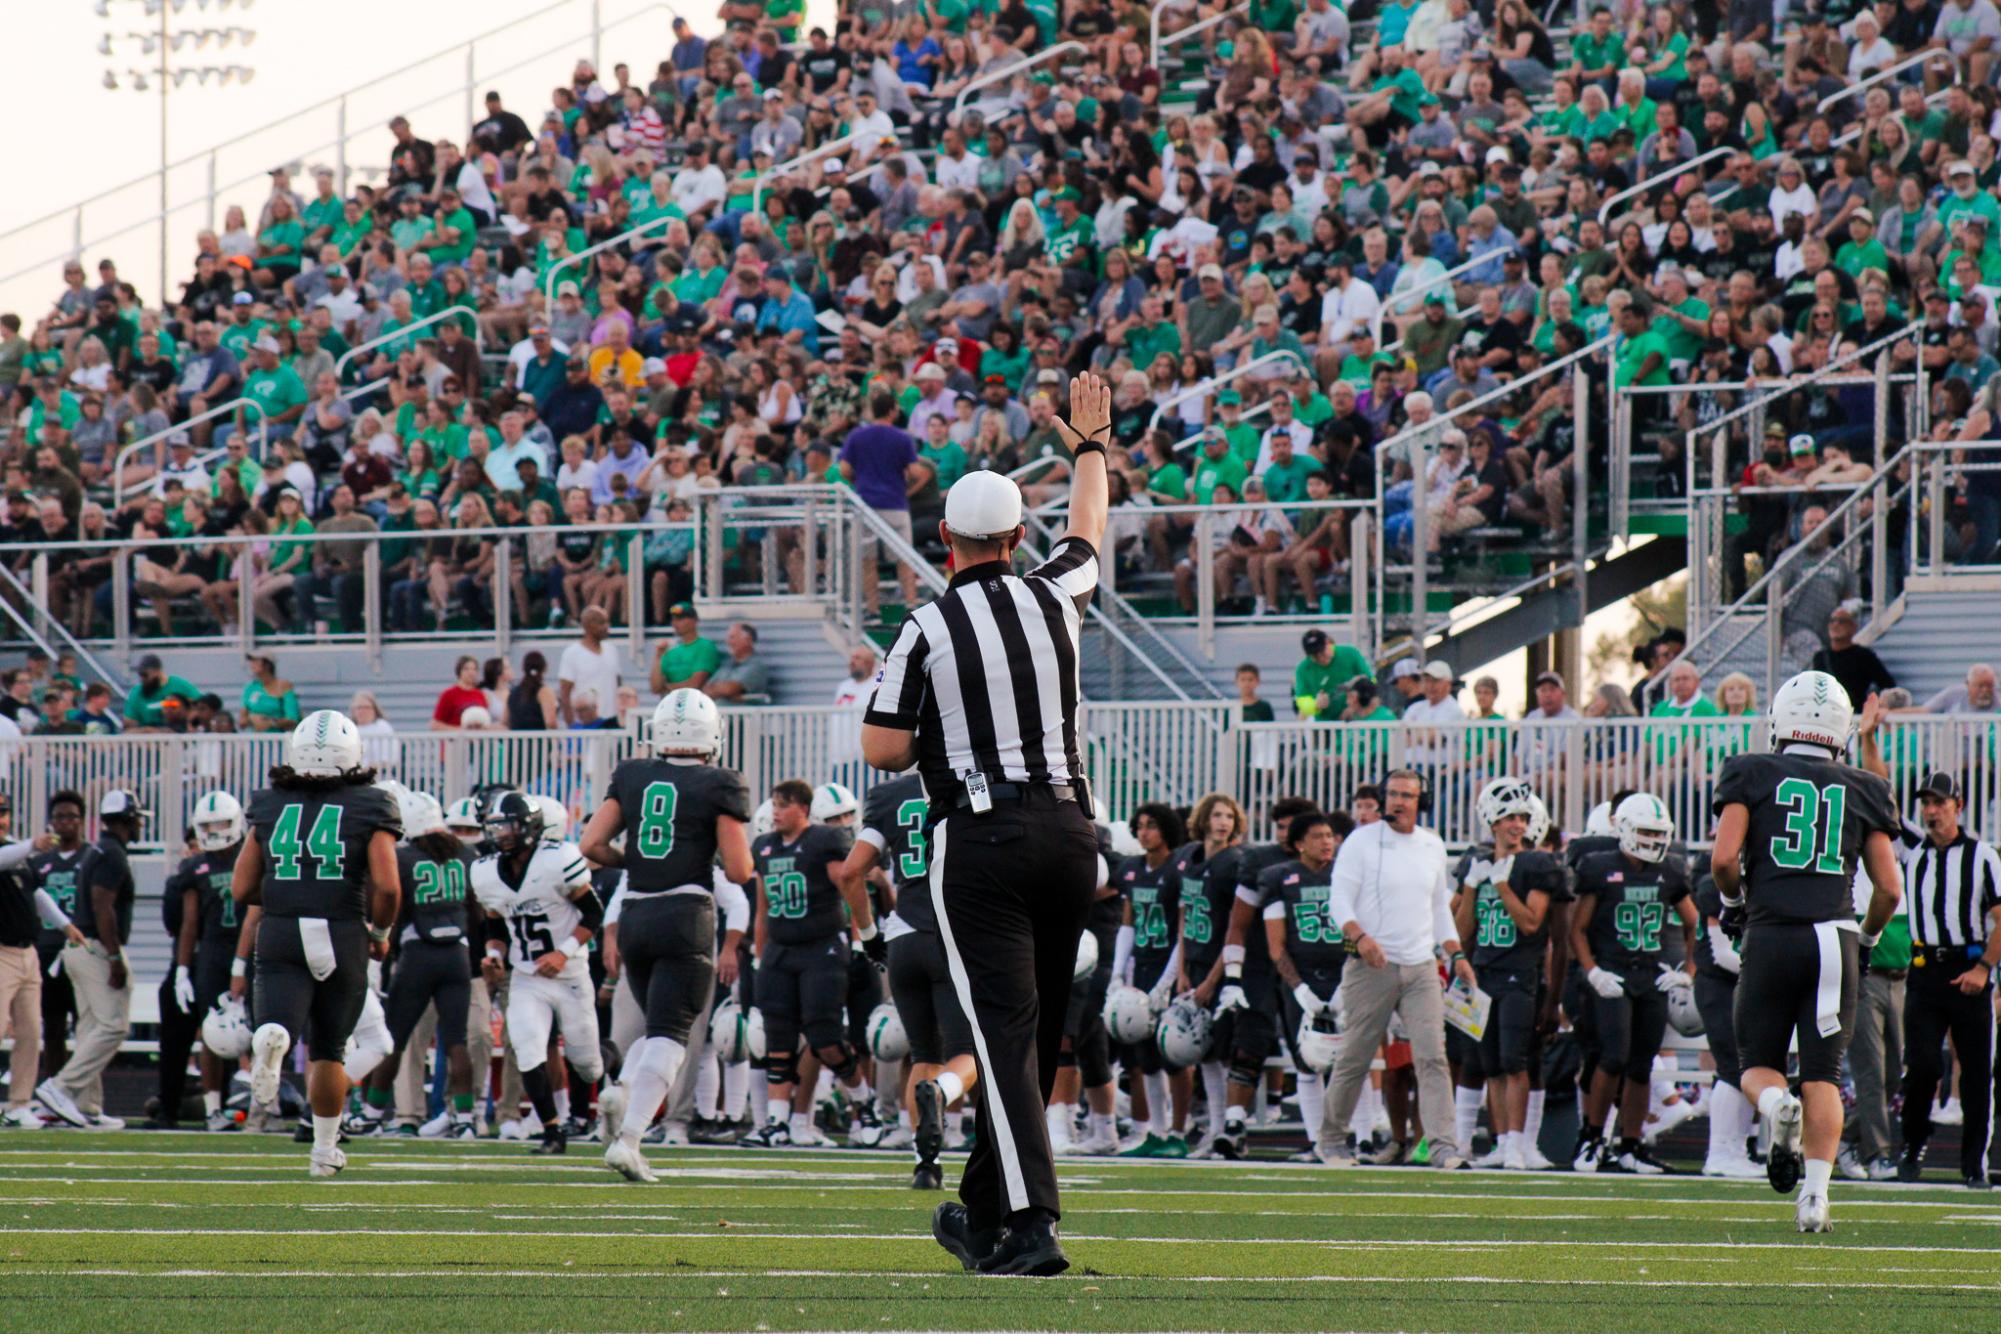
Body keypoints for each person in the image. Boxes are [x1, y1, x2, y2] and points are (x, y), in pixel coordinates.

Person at [860, 372, 1111, 1277]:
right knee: (1034, 1034)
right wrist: (1090, 446)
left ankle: (1033, 1223)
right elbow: (1087, 531)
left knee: (1004, 1031)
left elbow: (883, 749)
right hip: (1071, 835)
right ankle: (980, 1210)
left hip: (984, 842)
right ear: (1015, 537)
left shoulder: (926, 625)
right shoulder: (1054, 595)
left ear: (944, 540)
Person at [1710, 670, 1904, 1232]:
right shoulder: (1866, 786)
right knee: (1823, 1074)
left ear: (1780, 720)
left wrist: (1735, 901)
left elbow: (1724, 861)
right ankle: (1815, 1200)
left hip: (1771, 931)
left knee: (1757, 1066)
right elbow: (1889, 889)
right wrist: (1864, 937)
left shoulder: (1751, 770)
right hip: (1835, 938)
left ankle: (1775, 1110)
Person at [580, 689, 753, 1184]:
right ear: (712, 735)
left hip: (634, 913)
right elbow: (739, 870)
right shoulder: (719, 782)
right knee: (672, 1036)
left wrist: (633, 860)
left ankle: (624, 1088)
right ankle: (630, 1140)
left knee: (655, 1027)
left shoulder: (632, 774)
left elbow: (591, 845)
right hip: (685, 914)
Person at [230, 711, 402, 1177]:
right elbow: (387, 887)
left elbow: (242, 888)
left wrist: (292, 889)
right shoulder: (372, 804)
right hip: (342, 928)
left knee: (282, 1024)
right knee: (331, 1048)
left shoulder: (268, 804)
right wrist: (381, 935)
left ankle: (275, 1036)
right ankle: (324, 1152)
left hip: (283, 928)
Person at [1316, 770, 1472, 1172]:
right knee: (1356, 1055)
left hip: (1421, 965)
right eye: (1393, 794)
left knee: (1433, 1058)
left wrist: (1456, 954)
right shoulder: (1361, 841)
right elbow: (1339, 898)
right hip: (1372, 964)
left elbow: (1439, 907)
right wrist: (1360, 937)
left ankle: (1443, 1147)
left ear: (1422, 801)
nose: (1399, 802)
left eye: (1408, 795)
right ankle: (1331, 1141)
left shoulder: (1432, 845)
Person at [741, 779, 878, 1148]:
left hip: (821, 948)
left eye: (782, 805)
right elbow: (763, 909)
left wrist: (857, 938)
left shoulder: (823, 842)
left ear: (803, 808)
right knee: (778, 1038)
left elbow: (849, 887)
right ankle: (777, 1121)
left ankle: (864, 1102)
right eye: (773, 804)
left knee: (825, 1037)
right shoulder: (764, 846)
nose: (775, 812)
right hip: (780, 950)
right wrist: (758, 956)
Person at [472, 791, 607, 1158]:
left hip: (571, 975)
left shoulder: (559, 860)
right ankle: (552, 1130)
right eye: (495, 827)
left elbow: (594, 914)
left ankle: (612, 1087)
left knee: (589, 1065)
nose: (500, 834)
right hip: (528, 975)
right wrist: (493, 955)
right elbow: (496, 926)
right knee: (528, 1047)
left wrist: (563, 954)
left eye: (507, 826)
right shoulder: (485, 872)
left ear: (529, 827)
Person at [1568, 792, 1696, 1176]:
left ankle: (1630, 1144)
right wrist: (1592, 971)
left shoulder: (1670, 872)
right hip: (1612, 973)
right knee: (1612, 1058)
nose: (1653, 840)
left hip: (1650, 974)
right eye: (1644, 831)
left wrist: (1687, 971)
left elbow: (1694, 922)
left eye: (1658, 833)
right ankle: (1592, 1137)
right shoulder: (1598, 866)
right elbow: (1577, 929)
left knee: (1642, 1066)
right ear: (1623, 829)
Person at [1891, 771, 2001, 1187]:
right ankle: (1914, 1142)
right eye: (1927, 803)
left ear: (1958, 805)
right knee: (1920, 1066)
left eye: (1940, 802)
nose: (1932, 811)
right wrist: (1867, 737)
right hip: (1924, 972)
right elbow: (1884, 792)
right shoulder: (1914, 850)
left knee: (1976, 1073)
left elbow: (2000, 919)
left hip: (1968, 968)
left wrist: (1984, 969)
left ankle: (1973, 1163)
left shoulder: (1982, 856)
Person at [1448, 779, 1563, 1171]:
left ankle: (1517, 1144)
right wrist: (1471, 884)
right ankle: (1500, 1141)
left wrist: (1501, 884)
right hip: (1482, 974)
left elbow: (1531, 924)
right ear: (1492, 822)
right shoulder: (1476, 863)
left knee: (1515, 1062)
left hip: (1519, 974)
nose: (1517, 824)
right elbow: (1462, 931)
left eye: (1522, 817)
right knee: (1491, 1064)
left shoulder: (1536, 864)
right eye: (1510, 817)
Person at [33, 789, 145, 1131]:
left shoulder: (97, 849)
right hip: (94, 946)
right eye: (137, 818)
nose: (140, 824)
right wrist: (113, 956)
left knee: (91, 1026)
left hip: (78, 948)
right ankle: (62, 1087)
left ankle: (87, 1106)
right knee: (113, 1025)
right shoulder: (110, 853)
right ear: (127, 819)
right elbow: (102, 905)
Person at [1263, 811, 1346, 1163]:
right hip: (1302, 979)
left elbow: (1360, 928)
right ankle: (1316, 1142)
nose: (1327, 841)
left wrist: (1348, 984)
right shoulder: (1279, 878)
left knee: (1350, 1063)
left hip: (1346, 977)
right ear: (1299, 843)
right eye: (1318, 836)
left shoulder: (1345, 874)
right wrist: (1299, 988)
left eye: (1330, 835)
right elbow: (1276, 945)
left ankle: (1359, 1140)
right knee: (1308, 1061)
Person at [164, 792, 249, 1132]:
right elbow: (189, 924)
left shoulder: (251, 855)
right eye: (208, 825)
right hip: (213, 952)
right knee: (212, 1033)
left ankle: (260, 1104)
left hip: (251, 952)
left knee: (262, 1030)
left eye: (221, 824)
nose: (215, 831)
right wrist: (182, 971)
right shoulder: (194, 867)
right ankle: (214, 1109)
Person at [0, 795, 78, 1127]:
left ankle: (18, 1104)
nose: (3, 819)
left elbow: (36, 893)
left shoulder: (18, 853)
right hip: (1, 952)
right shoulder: (15, 852)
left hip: (27, 952)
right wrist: (33, 844)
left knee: (31, 1030)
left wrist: (64, 924)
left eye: (4, 812)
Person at [558, 606, 624, 727]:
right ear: (588, 625)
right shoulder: (572, 653)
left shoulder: (612, 650)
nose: (607, 627)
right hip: (586, 724)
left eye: (607, 622)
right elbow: (565, 693)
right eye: (602, 623)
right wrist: (572, 725)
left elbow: (618, 684)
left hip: (612, 721)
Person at [652, 601, 723, 694]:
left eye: (680, 619)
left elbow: (695, 685)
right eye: (673, 619)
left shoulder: (705, 647)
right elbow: (656, 688)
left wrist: (667, 688)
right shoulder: (671, 650)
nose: (675, 623)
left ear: (694, 620)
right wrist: (658, 657)